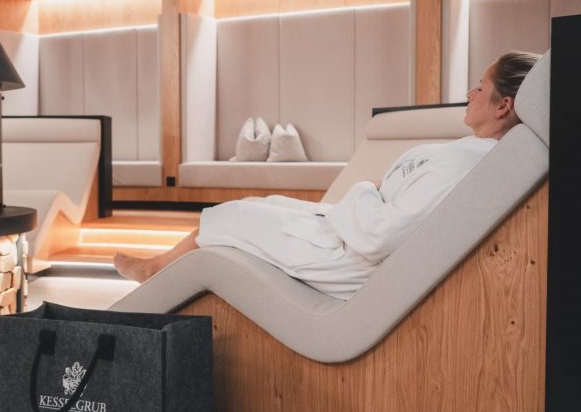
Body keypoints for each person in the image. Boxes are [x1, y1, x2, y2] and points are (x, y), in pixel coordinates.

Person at [114, 51, 541, 300]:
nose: (470, 93)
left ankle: (155, 272)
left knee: (233, 216)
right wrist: (366, 194)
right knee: (253, 206)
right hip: (345, 229)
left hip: (348, 259)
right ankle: (159, 270)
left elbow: (380, 237)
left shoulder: (469, 163)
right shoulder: (470, 152)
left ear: (503, 105)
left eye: (480, 87)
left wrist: (364, 188)